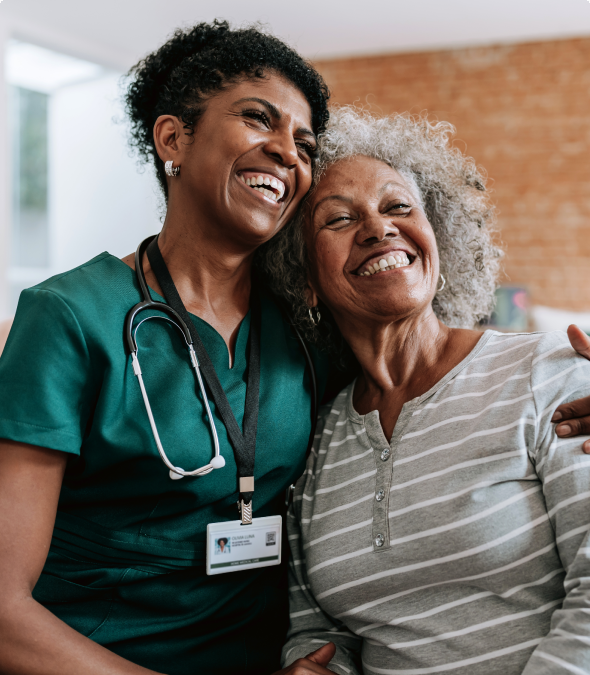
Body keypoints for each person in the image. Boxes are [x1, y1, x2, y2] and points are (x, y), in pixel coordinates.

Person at [0, 21, 589, 675]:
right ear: (172, 137)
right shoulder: (71, 317)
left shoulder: (313, 335)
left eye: (303, 143)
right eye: (259, 119)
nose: (287, 153)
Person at [271, 108, 590, 675]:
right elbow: (318, 627)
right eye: (339, 219)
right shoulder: (313, 439)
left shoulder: (549, 374)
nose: (377, 227)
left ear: (435, 240)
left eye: (398, 207)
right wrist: (315, 665)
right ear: (304, 282)